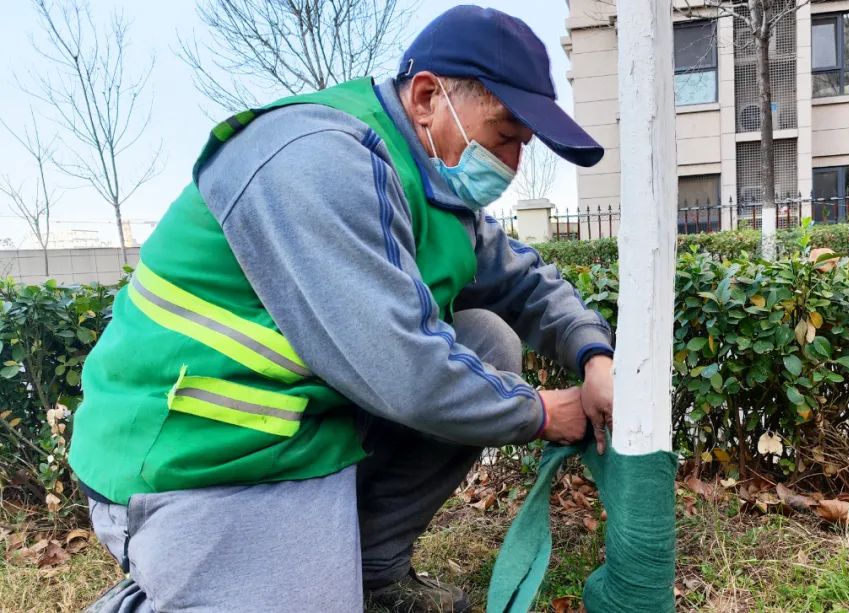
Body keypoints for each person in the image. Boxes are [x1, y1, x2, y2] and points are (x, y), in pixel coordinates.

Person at [72, 6, 614, 613]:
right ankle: (169, 577)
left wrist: (594, 354)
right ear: (428, 97)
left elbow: (524, 282)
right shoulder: (318, 159)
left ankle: (371, 573)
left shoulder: (431, 182)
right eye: (505, 135)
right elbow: (405, 370)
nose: (512, 165)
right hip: (196, 456)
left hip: (302, 431)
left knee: (485, 337)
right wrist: (541, 412)